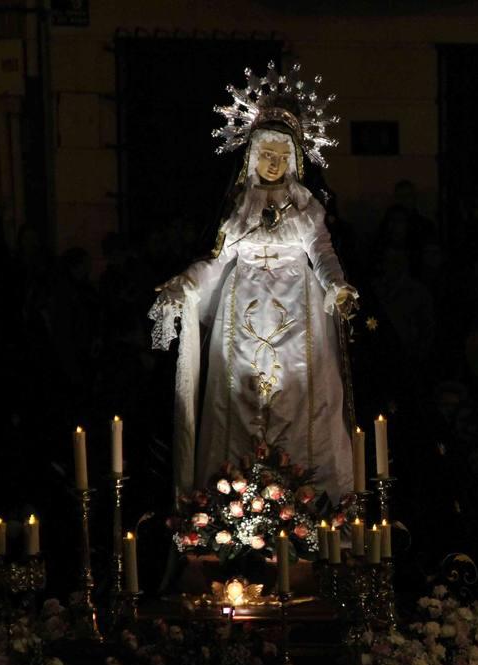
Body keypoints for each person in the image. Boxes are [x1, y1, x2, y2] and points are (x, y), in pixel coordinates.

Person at [150, 62, 358, 502]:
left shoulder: (305, 209)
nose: (273, 163)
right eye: (266, 154)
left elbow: (322, 254)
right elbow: (215, 259)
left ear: (294, 160)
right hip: (242, 313)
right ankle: (235, 497)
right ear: (252, 156)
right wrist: (185, 285)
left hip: (296, 317)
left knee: (297, 400)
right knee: (239, 398)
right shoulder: (237, 209)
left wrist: (337, 287)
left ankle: (302, 498)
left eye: (281, 157)